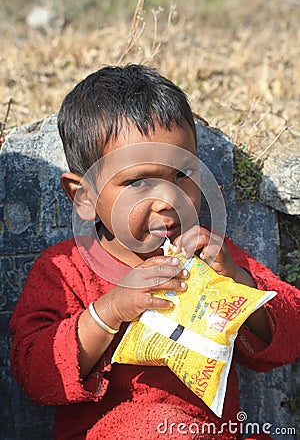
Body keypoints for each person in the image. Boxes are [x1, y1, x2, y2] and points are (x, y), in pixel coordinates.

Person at [10, 64, 299, 440]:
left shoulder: (210, 254)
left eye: (183, 175)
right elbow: (35, 373)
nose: (169, 200)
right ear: (84, 196)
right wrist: (109, 311)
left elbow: (290, 333)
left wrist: (237, 283)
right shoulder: (64, 271)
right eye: (138, 182)